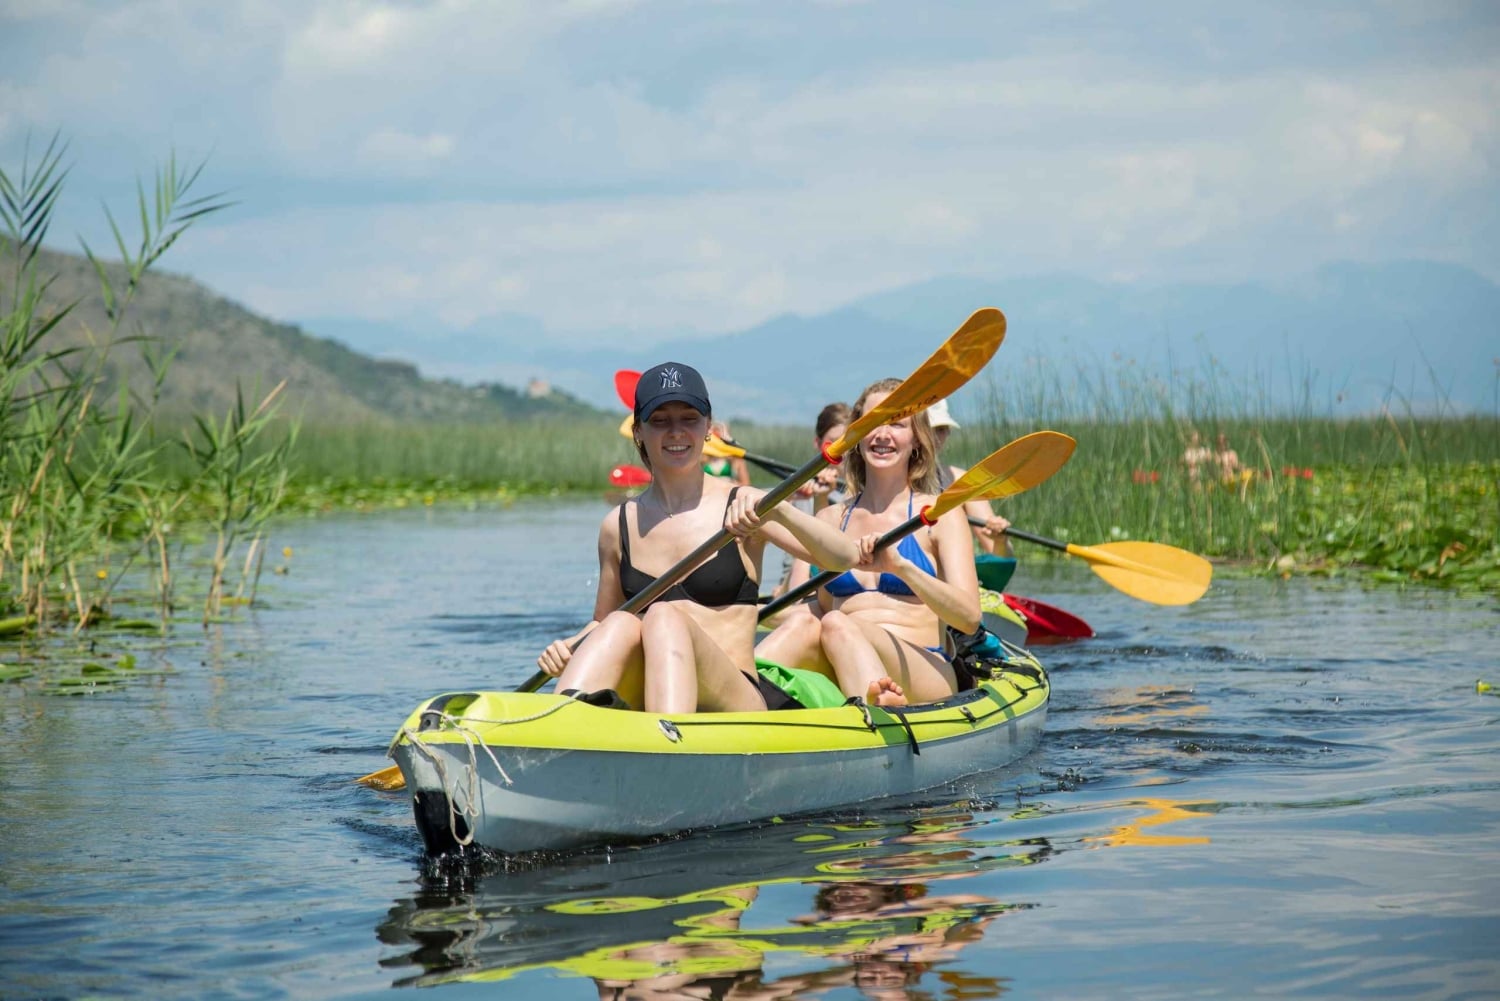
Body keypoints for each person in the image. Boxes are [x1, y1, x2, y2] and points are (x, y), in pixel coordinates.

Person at [537, 362, 857, 714]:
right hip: (651, 689)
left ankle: (670, 742)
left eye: (689, 418)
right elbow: (603, 620)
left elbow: (843, 559)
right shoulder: (618, 525)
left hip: (737, 697)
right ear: (639, 431)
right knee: (619, 624)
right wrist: (571, 646)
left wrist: (780, 510)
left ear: (707, 428)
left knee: (662, 615)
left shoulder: (744, 504)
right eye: (660, 421)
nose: (676, 432)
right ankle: (557, 720)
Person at [756, 378, 982, 708]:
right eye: (873, 422)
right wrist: (745, 613)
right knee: (807, 622)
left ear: (916, 438)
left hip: (923, 667)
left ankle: (881, 707)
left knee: (834, 621)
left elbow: (969, 617)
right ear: (858, 436)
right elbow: (818, 606)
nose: (882, 433)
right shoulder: (831, 520)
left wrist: (901, 568)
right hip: (842, 653)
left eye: (897, 422)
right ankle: (738, 694)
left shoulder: (940, 515)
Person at [925, 398, 1012, 556]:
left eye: (941, 429)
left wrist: (1000, 541)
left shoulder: (963, 481)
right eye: (928, 428)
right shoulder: (886, 479)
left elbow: (1001, 556)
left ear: (948, 433)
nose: (934, 437)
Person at [705, 419, 752, 485]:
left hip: (728, 492)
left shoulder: (735, 457)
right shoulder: (702, 456)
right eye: (715, 431)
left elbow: (746, 483)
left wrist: (728, 483)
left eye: (721, 432)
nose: (718, 435)